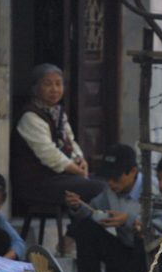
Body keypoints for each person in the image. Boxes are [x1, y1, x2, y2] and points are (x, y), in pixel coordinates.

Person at [10, 63, 104, 207]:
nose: (54, 89)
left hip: (58, 177)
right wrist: (77, 171)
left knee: (106, 182)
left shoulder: (57, 112)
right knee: (98, 188)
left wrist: (80, 160)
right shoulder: (30, 117)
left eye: (58, 84)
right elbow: (50, 155)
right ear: (35, 88)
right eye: (48, 84)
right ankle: (83, 227)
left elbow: (70, 141)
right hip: (38, 183)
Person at [65, 144, 145, 272]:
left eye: (116, 178)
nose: (110, 183)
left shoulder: (153, 188)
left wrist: (128, 220)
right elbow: (93, 211)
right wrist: (78, 206)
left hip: (148, 258)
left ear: (133, 172)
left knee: (141, 236)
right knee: (86, 227)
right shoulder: (109, 191)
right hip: (123, 253)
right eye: (108, 178)